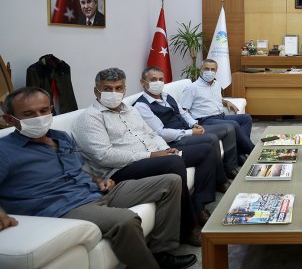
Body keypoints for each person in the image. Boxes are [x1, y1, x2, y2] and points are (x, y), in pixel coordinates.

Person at [0, 87, 196, 269]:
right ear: (9, 119)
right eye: (29, 114)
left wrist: (97, 180)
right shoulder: (4, 150)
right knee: (126, 220)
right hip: (63, 207)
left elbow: (75, 170)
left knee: (171, 181)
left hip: (95, 191)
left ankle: (161, 252)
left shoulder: (62, 137)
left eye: (44, 110)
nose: (39, 118)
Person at [72, 68, 217, 247]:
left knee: (205, 150)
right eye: (107, 88)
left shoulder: (131, 111)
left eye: (118, 88)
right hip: (120, 170)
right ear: (96, 91)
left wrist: (165, 149)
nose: (114, 93)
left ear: (124, 90)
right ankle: (187, 228)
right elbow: (104, 156)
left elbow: (151, 134)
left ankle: (199, 205)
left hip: (152, 157)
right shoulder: (90, 118)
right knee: (174, 163)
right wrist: (151, 155)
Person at [134, 66, 236, 190]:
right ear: (143, 82)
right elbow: (160, 133)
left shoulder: (166, 96)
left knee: (228, 128)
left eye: (161, 79)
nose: (158, 82)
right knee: (211, 139)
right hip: (173, 140)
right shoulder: (141, 106)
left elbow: (183, 113)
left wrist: (193, 124)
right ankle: (221, 181)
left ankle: (227, 170)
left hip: (187, 130)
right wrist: (190, 132)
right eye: (153, 79)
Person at [180, 59, 255, 164]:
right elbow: (182, 110)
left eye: (213, 69)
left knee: (246, 118)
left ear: (216, 71)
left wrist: (226, 102)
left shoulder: (217, 84)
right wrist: (193, 124)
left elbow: (216, 99)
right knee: (233, 124)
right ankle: (253, 151)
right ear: (201, 70)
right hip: (205, 120)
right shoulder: (191, 88)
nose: (210, 72)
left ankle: (239, 153)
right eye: (207, 69)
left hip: (221, 116)